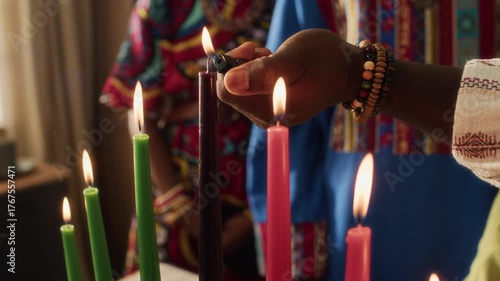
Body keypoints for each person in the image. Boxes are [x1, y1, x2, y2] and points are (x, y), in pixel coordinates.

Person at [218, 1, 499, 281]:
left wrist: (355, 75)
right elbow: (288, 122)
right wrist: (298, 249)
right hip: (351, 210)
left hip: (479, 205)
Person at [100, 1, 273, 280]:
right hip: (179, 194)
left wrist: (255, 213)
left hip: (264, 198)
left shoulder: (284, 7)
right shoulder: (163, 7)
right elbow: (139, 111)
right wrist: (182, 210)